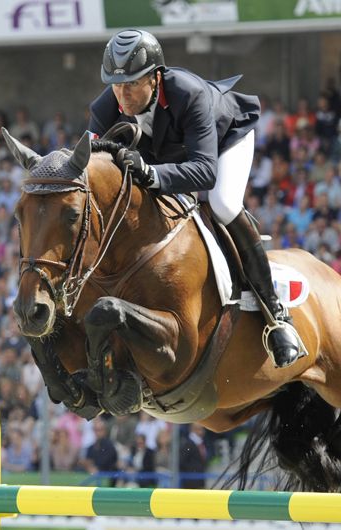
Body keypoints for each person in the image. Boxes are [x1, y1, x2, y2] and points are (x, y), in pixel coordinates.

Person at [89, 29, 304, 368]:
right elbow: (91, 166)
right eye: (116, 84)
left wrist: (153, 174)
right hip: (168, 156)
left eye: (130, 84)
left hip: (224, 141)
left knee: (222, 203)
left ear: (155, 76)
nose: (122, 94)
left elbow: (204, 172)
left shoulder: (188, 94)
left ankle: (276, 314)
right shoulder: (105, 108)